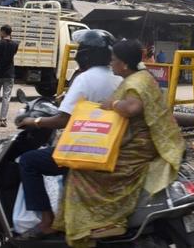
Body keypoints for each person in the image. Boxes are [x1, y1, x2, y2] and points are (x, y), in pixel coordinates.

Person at [54, 39, 183, 247]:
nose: (111, 63)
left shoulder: (135, 83)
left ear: (123, 64)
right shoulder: (143, 77)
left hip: (136, 150)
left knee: (80, 171)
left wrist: (113, 104)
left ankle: (107, 221)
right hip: (146, 142)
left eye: (113, 60)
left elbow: (132, 108)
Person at [15, 29, 121, 238]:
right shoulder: (117, 79)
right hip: (107, 148)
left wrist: (34, 121)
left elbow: (63, 119)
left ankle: (47, 221)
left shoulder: (85, 78)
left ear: (86, 54)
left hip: (83, 149)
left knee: (28, 161)